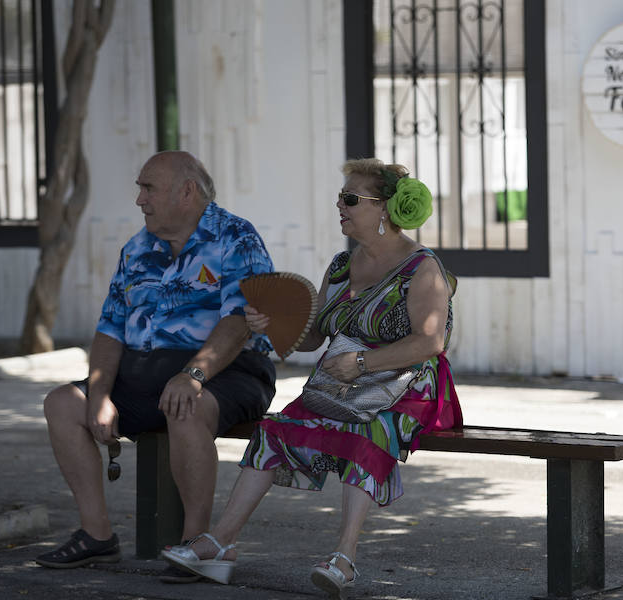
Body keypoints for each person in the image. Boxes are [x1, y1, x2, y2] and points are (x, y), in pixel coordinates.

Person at [161, 158, 462, 597]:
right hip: (344, 381)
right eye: (341, 196)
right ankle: (220, 540)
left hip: (408, 385)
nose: (339, 205)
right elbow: (313, 336)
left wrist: (362, 364)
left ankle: (344, 558)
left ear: (385, 210)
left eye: (350, 199)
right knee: (274, 430)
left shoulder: (422, 268)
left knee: (372, 432)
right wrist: (272, 324)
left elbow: (429, 344)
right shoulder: (341, 266)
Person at [35, 151, 277, 585]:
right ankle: (97, 535)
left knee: (184, 404)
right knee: (62, 404)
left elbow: (239, 321)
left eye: (149, 188)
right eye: (140, 188)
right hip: (145, 373)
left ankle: (196, 546)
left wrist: (194, 374)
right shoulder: (137, 248)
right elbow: (110, 329)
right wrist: (100, 394)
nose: (139, 200)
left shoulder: (235, 237)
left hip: (230, 370)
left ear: (187, 192)